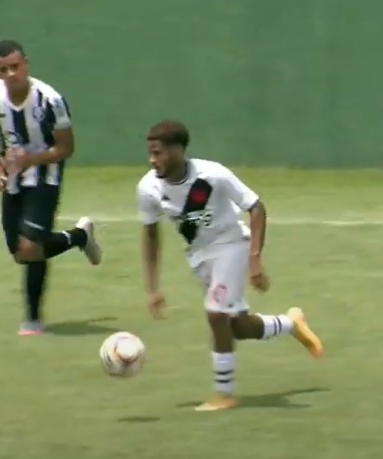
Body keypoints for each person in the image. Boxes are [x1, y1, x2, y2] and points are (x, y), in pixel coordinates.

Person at [136, 120, 324, 411]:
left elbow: (256, 207)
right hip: (199, 256)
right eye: (149, 153)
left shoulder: (212, 175)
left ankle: (224, 393)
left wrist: (254, 259)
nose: (152, 160)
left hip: (231, 245)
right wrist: (153, 288)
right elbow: (151, 235)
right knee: (237, 327)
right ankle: (291, 324)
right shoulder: (148, 188)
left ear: (178, 150)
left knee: (216, 314)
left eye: (158, 153)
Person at [0, 39, 102, 336]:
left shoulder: (50, 100)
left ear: (26, 64)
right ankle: (79, 236)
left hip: (45, 175)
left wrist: (32, 159)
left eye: (15, 67)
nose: (10, 74)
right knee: (20, 252)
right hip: (13, 177)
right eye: (3, 70)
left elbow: (66, 147)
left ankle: (32, 319)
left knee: (30, 245)